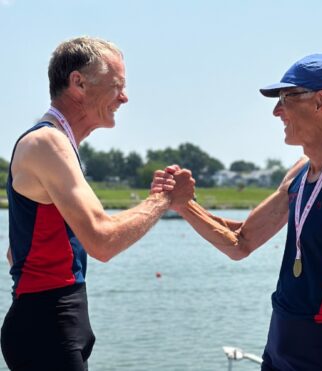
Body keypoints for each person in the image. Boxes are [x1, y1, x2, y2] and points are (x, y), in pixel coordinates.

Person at [152, 54, 322, 370]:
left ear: (321, 101)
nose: (276, 110)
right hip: (280, 342)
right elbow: (240, 241)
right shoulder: (299, 171)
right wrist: (183, 205)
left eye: (286, 97)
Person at [0, 36, 195, 371]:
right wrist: (162, 201)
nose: (125, 97)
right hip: (48, 324)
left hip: (53, 320)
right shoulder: (48, 142)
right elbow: (102, 241)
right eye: (117, 85)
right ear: (78, 83)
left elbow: (16, 253)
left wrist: (156, 201)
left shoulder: (56, 143)